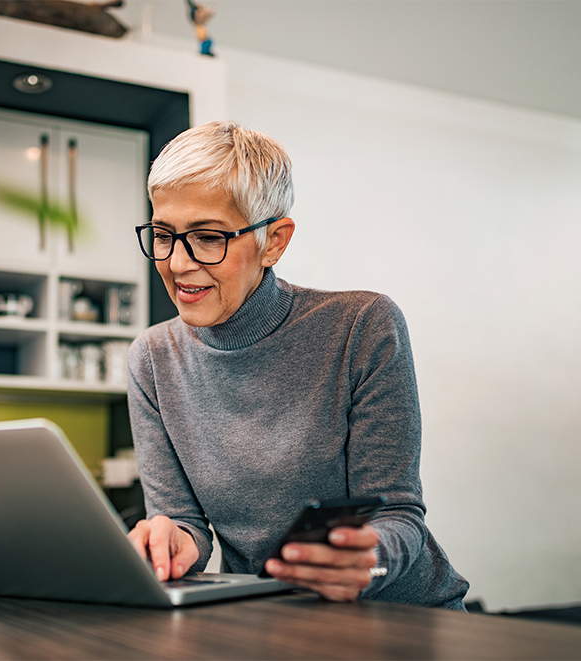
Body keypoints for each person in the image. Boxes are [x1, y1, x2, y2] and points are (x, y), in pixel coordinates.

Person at [126, 121, 469, 609]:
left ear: (274, 241)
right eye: (163, 234)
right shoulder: (153, 359)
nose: (178, 264)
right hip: (269, 617)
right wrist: (173, 543)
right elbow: (184, 524)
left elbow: (398, 514)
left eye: (207, 237)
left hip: (401, 616)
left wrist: (367, 562)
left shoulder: (362, 326)